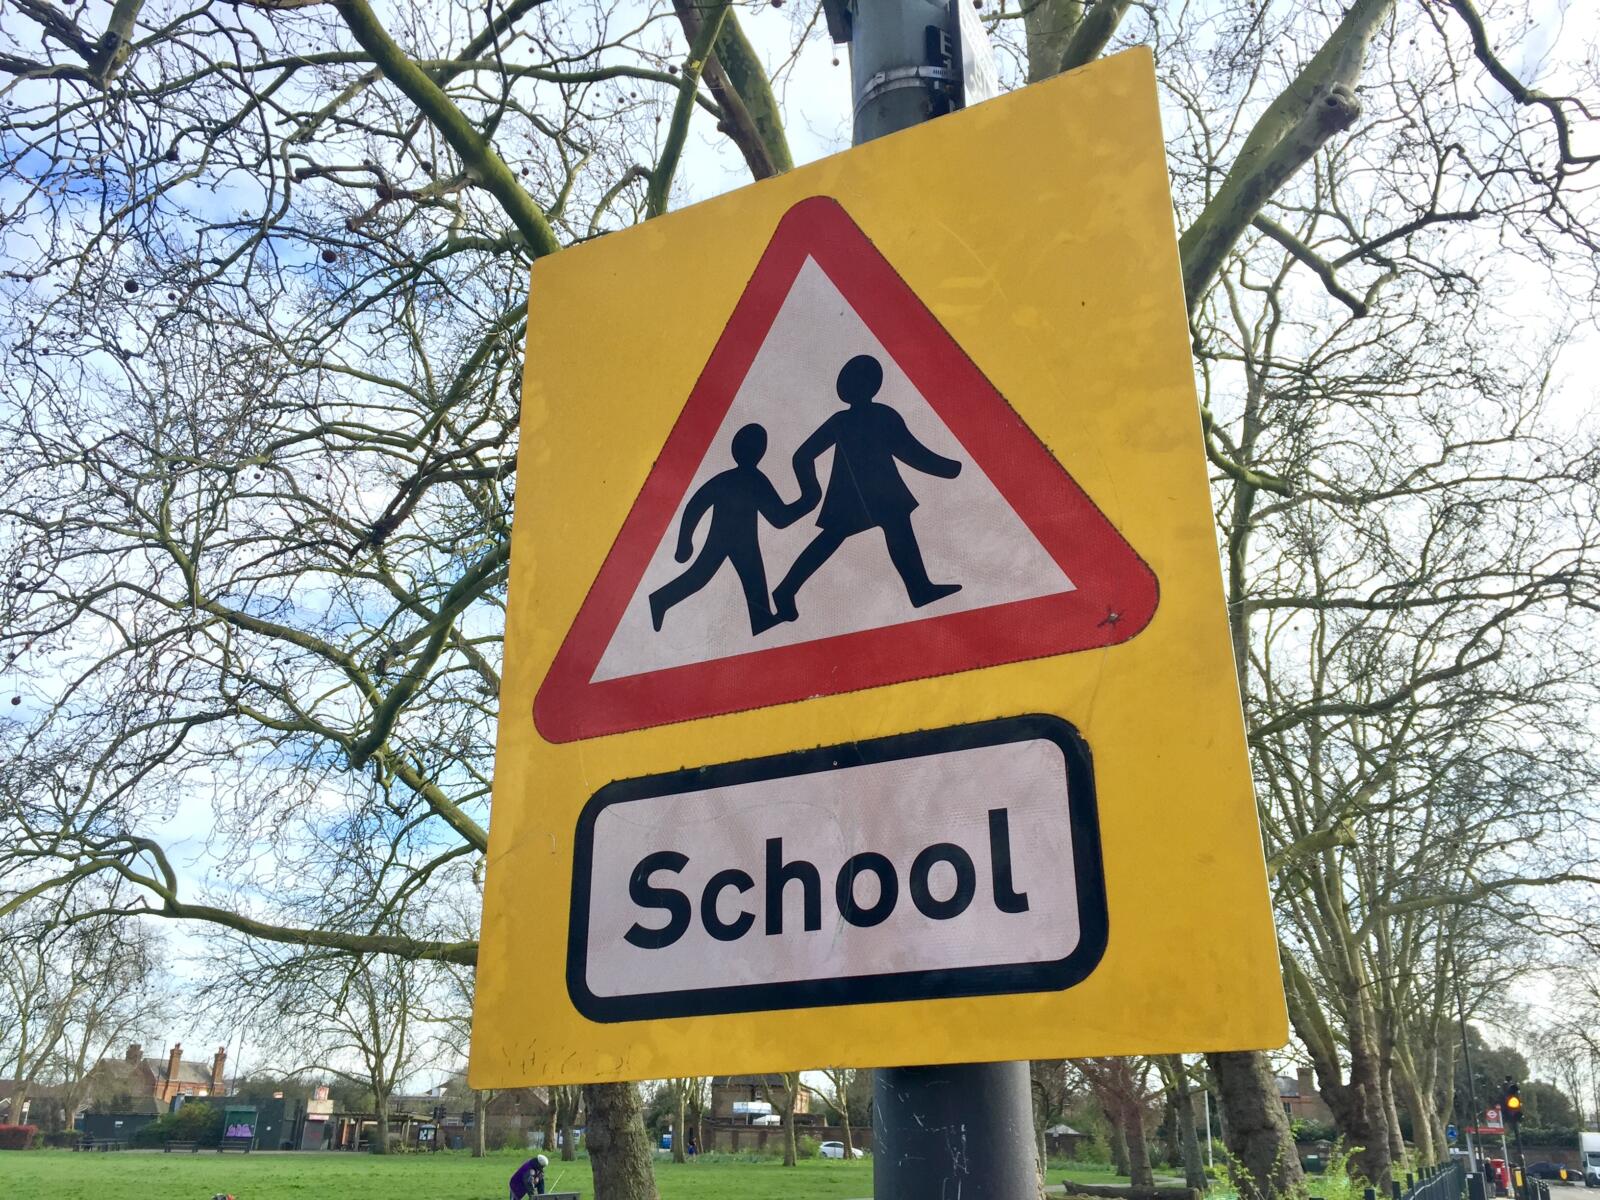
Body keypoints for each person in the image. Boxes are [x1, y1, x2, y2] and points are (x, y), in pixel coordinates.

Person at [772, 354, 963, 621]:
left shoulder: (862, 417)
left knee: (890, 530)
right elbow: (909, 452)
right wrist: (810, 493)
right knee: (845, 537)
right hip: (867, 494)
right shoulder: (871, 416)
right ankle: (785, 590)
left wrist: (948, 469)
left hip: (872, 492)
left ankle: (919, 589)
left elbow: (908, 450)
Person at [648, 422, 810, 635]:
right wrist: (807, 501)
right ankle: (660, 600)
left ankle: (661, 599)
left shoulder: (728, 478)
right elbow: (779, 518)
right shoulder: (755, 480)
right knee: (708, 578)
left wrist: (685, 541)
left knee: (715, 579)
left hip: (732, 541)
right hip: (739, 543)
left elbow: (695, 505)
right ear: (761, 452)